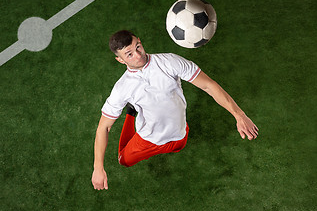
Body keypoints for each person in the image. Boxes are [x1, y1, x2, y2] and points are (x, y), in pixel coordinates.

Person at [91, 30, 259, 190]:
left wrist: (239, 115)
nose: (138, 54)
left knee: (179, 146)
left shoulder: (170, 62)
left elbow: (208, 85)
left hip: (180, 133)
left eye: (138, 46)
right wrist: (98, 168)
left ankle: (134, 111)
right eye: (129, 54)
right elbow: (104, 127)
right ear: (120, 60)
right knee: (124, 160)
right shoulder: (122, 88)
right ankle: (131, 113)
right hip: (148, 139)